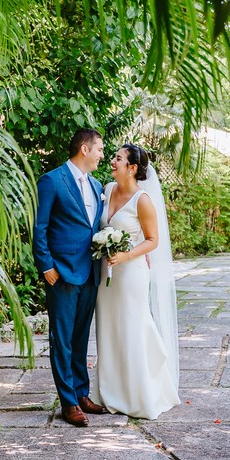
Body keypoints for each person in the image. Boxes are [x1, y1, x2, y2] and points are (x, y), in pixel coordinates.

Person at [89, 143, 180, 420]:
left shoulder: (142, 200)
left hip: (131, 274)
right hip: (107, 273)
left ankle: (140, 393)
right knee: (109, 329)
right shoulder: (106, 189)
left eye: (118, 158)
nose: (112, 161)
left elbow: (153, 240)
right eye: (113, 157)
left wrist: (127, 255)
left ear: (132, 168)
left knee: (132, 327)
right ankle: (109, 392)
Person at [33, 129, 107, 427]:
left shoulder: (97, 184)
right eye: (100, 149)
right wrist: (45, 265)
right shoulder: (52, 180)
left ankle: (81, 392)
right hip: (60, 272)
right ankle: (68, 402)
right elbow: (39, 227)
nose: (103, 154)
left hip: (89, 271)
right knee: (61, 339)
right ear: (84, 149)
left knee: (79, 338)